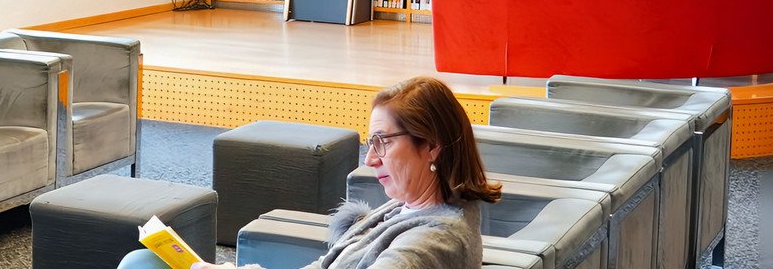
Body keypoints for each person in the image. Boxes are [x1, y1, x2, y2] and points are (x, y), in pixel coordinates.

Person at [119, 76, 501, 269]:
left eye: (383, 143)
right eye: (371, 144)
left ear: (431, 144)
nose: (370, 160)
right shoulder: (411, 206)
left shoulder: (434, 242)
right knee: (147, 261)